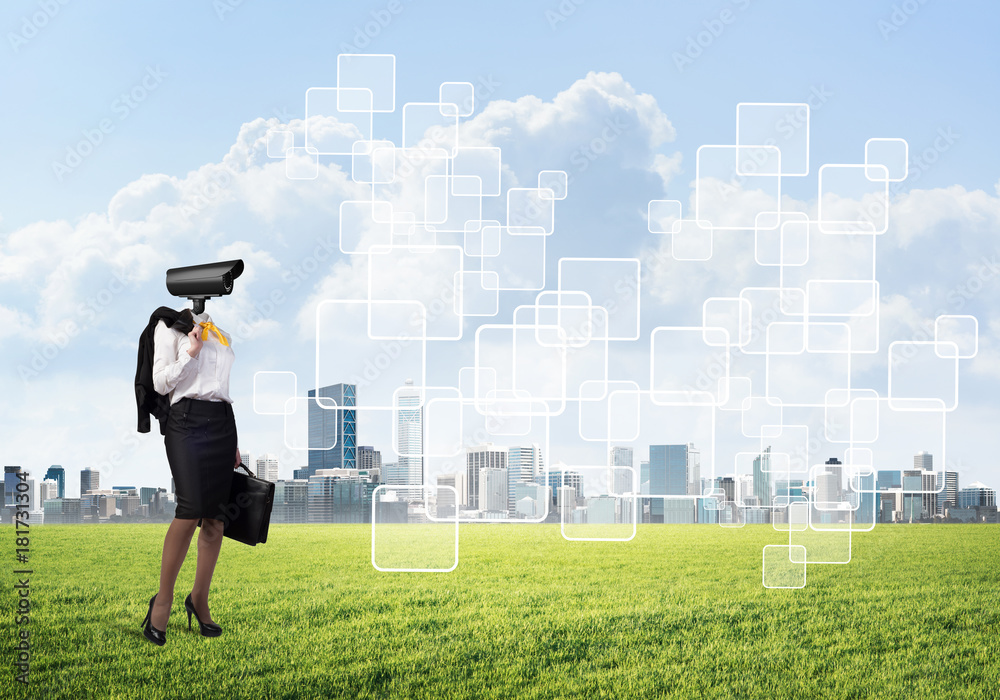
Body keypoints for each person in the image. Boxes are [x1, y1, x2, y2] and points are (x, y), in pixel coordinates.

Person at [139, 307, 239, 646]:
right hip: (186, 422)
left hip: (223, 422)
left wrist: (235, 444)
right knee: (190, 509)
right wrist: (191, 353)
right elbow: (159, 382)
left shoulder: (220, 333)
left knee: (216, 520)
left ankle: (199, 600)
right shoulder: (171, 328)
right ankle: (163, 600)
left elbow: (221, 387)